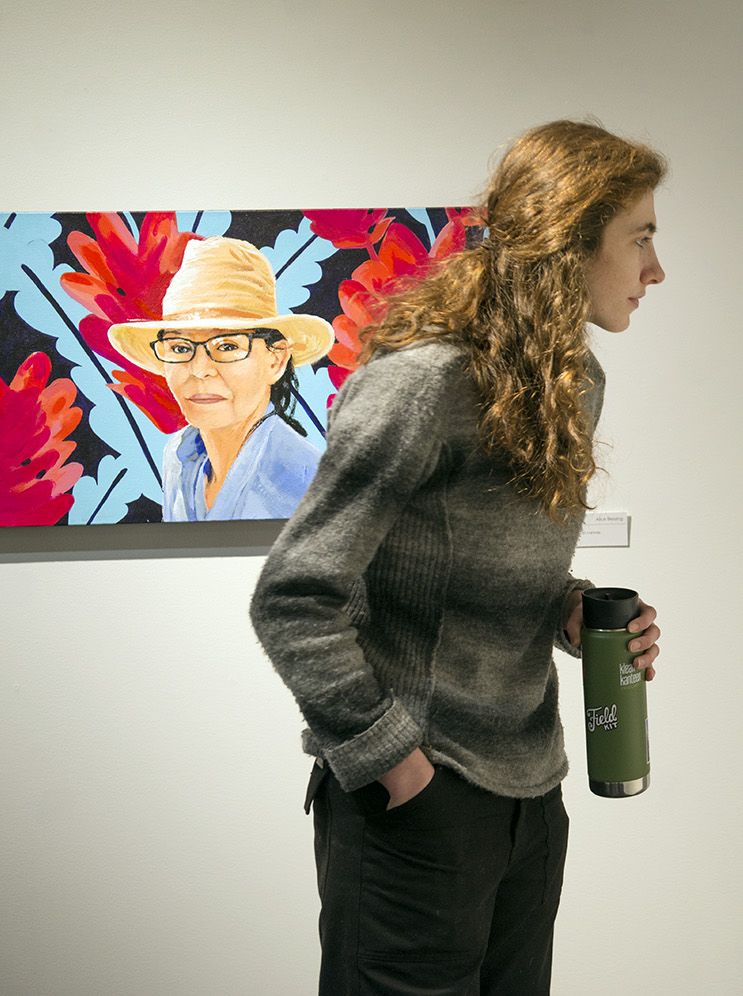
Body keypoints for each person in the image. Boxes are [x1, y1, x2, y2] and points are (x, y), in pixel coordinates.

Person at [249, 120, 666, 996]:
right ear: (569, 243)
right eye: (641, 240)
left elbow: (494, 564)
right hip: (418, 806)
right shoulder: (423, 383)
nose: (656, 271)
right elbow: (295, 596)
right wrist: (399, 767)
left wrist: (576, 611)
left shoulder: (573, 382)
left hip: (528, 799)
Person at [109, 236, 332, 521]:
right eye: (179, 348)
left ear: (275, 360)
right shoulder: (179, 456)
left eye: (227, 347)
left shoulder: (303, 480)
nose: (199, 369)